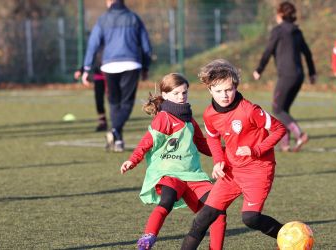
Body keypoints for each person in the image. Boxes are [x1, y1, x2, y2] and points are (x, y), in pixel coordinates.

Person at [180, 59, 287, 249]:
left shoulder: (249, 110)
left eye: (228, 89)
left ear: (235, 87)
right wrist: (219, 161)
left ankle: (290, 235)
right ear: (210, 90)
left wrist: (256, 150)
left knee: (251, 218)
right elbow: (212, 138)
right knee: (203, 219)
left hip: (258, 170)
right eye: (219, 91)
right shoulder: (209, 114)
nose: (224, 95)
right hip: (231, 171)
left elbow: (279, 129)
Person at [120, 73, 227, 250]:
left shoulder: (190, 120)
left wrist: (226, 154)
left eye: (184, 93)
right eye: (176, 93)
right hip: (169, 173)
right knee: (167, 201)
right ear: (165, 95)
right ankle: (149, 236)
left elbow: (204, 145)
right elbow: (147, 141)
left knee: (218, 212)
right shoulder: (164, 118)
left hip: (193, 175)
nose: (181, 97)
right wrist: (132, 160)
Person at [82, 0, 152, 152]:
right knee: (126, 103)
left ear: (110, 2)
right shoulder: (134, 18)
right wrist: (146, 66)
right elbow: (145, 45)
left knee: (114, 102)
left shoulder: (103, 19)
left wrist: (86, 68)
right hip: (132, 64)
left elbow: (93, 44)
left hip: (109, 65)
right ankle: (116, 132)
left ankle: (117, 138)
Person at [253, 1, 316, 152]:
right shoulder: (297, 31)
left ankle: (299, 134)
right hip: (298, 76)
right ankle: (285, 143)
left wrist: (259, 69)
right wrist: (312, 73)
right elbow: (307, 53)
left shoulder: (278, 31)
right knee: (284, 109)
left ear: (280, 14)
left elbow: (268, 50)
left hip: (287, 76)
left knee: (277, 108)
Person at [74, 60, 108, 132]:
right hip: (99, 76)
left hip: (111, 75)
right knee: (99, 100)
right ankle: (102, 122)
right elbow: (90, 58)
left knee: (114, 99)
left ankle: (117, 122)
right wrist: (81, 70)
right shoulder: (96, 48)